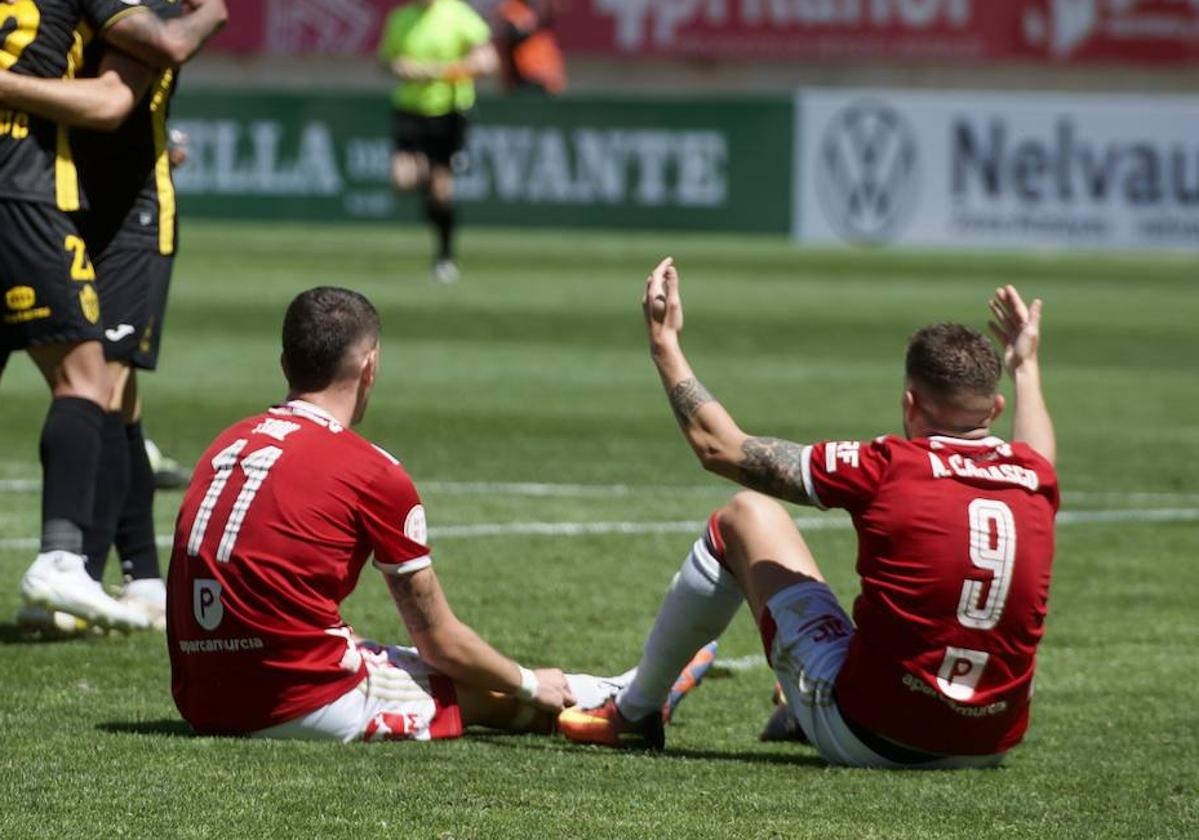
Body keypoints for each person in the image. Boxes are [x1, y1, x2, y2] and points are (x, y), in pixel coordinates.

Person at [559, 258, 1058, 768]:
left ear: (910, 403)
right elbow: (1039, 453)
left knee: (744, 516)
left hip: (873, 736)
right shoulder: (1034, 475)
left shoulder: (887, 466)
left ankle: (635, 710)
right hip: (988, 744)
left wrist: (664, 345)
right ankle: (795, 705)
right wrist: (1026, 365)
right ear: (995, 410)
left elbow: (720, 449)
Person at [168, 287, 641, 740]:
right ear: (370, 367)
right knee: (466, 684)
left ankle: (605, 696)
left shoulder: (226, 443)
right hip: (294, 700)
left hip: (201, 698)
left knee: (399, 659)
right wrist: (529, 682)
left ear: (285, 364)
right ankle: (608, 703)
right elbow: (442, 642)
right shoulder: (374, 471)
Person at [1, 0, 227, 632]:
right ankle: (102, 572)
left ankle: (112, 574)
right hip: (52, 198)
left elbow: (119, 96)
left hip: (129, 217)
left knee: (111, 387)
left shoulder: (146, 16)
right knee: (103, 392)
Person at [377, 0, 498, 283]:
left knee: (443, 191)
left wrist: (444, 71)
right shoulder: (401, 18)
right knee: (402, 179)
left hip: (449, 113)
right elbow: (387, 61)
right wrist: (402, 69)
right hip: (409, 110)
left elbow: (488, 60)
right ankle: (428, 185)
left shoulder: (457, 14)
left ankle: (445, 256)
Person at [494, 0, 567, 95]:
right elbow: (512, 34)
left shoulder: (541, 18)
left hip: (546, 79)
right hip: (524, 78)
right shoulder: (511, 9)